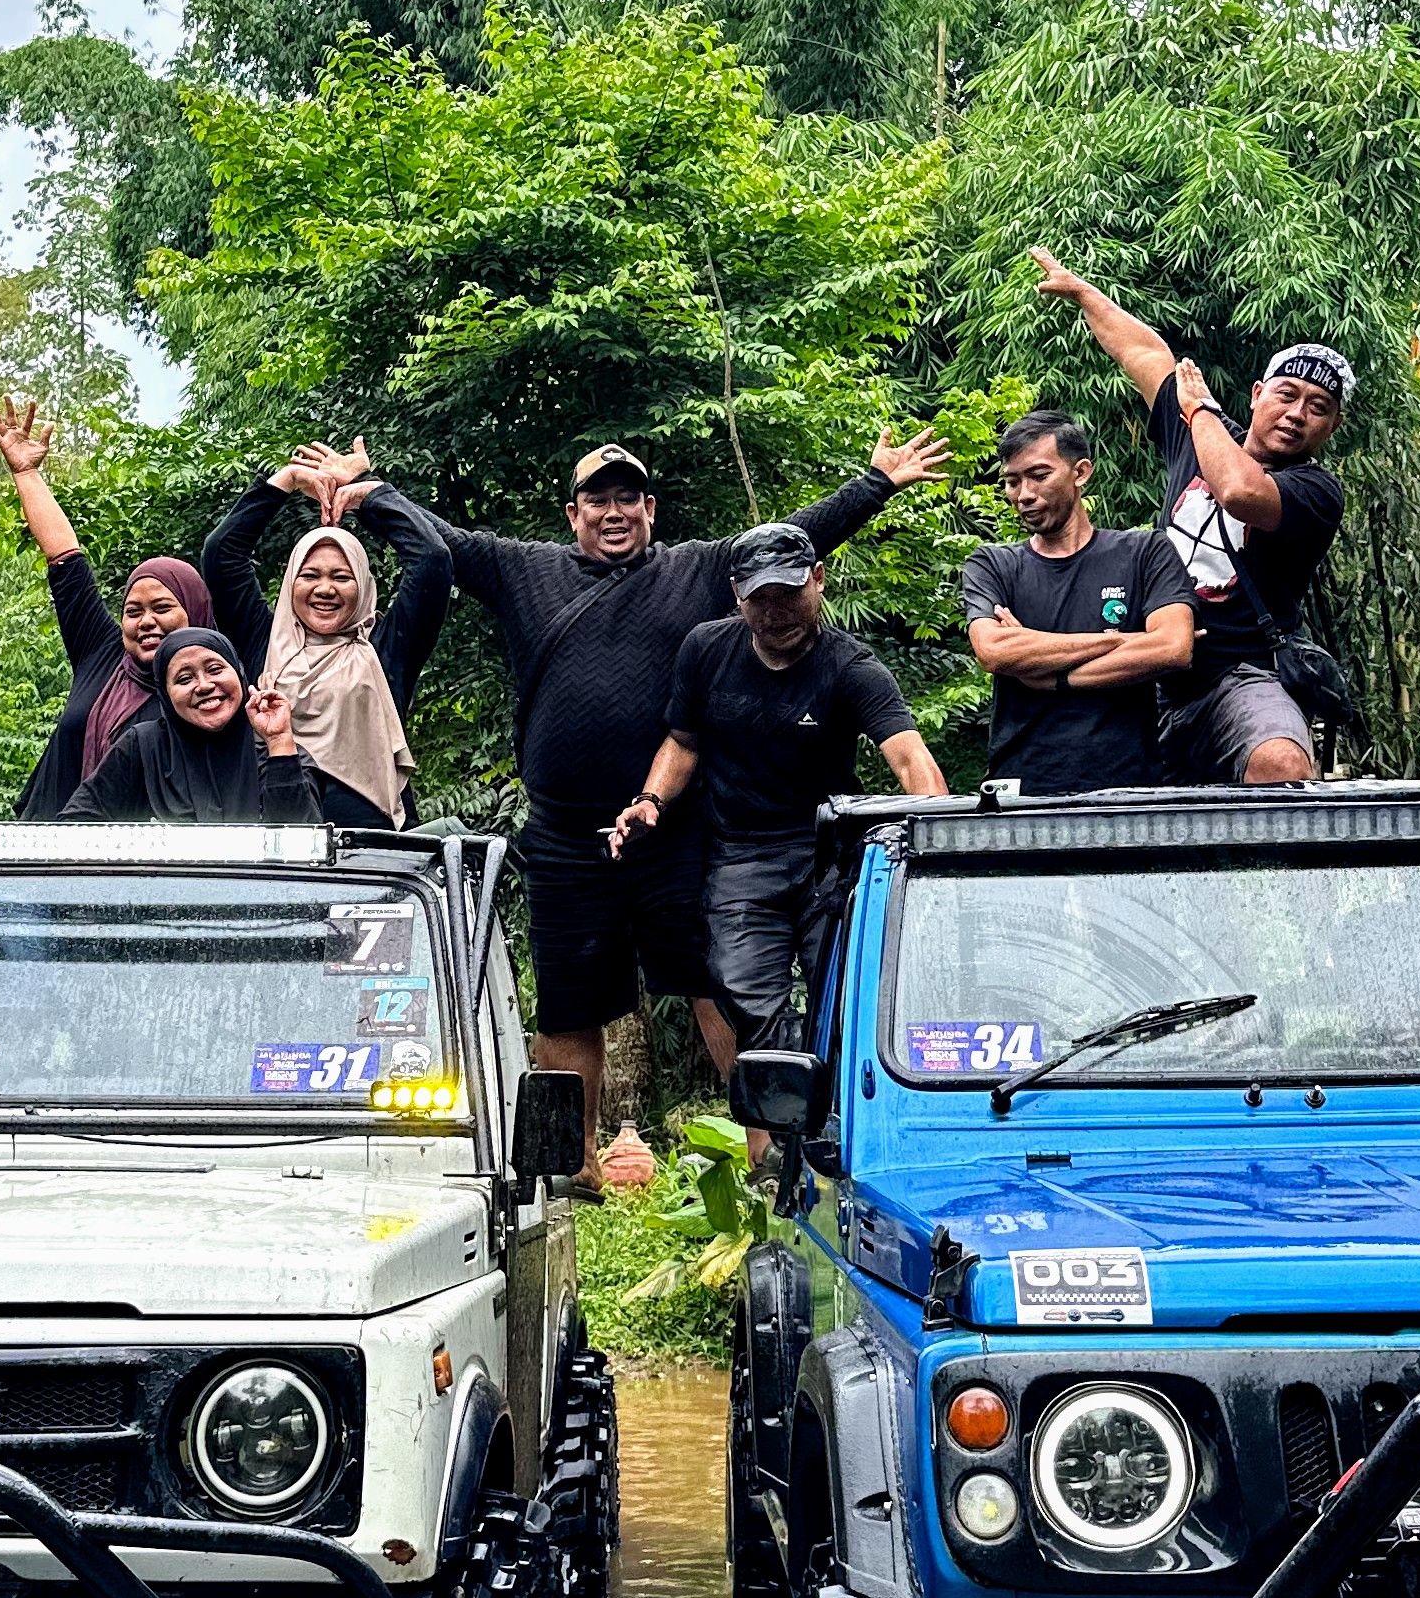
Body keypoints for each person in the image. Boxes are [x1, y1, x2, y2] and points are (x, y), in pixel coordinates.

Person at [294, 425, 950, 1136]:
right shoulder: (524, 568)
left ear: (651, 509)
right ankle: (570, 1166)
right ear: (573, 515)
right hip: (565, 836)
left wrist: (876, 482)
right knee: (568, 1001)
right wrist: (373, 491)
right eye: (598, 499)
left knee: (719, 985)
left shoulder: (698, 570)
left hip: (674, 829)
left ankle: (773, 1149)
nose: (615, 511)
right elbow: (442, 542)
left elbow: (789, 542)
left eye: (629, 498)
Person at [608, 522, 948, 1054]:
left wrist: (939, 837)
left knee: (842, 988)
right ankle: (786, 1116)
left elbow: (910, 759)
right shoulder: (706, 649)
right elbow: (683, 743)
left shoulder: (851, 667)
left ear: (818, 579)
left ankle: (833, 1107)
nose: (775, 613)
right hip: (740, 856)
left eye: (787, 595)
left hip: (828, 857)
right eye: (760, 599)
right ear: (738, 596)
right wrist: (649, 801)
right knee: (739, 986)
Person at [1025, 254, 1351, 786]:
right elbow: (1146, 353)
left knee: (1281, 763)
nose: (1296, 414)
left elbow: (1240, 490)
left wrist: (1198, 410)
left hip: (1240, 675)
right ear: (1257, 395)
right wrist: (1085, 294)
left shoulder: (1315, 491)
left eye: (1318, 407)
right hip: (1148, 667)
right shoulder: (1200, 430)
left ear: (1332, 426)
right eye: (1287, 394)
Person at [0, 394, 216, 818]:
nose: (146, 621)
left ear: (194, 613)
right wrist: (26, 473)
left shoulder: (214, 685)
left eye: (163, 608)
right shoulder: (103, 652)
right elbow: (63, 557)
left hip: (142, 871)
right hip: (41, 849)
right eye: (133, 611)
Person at [200, 454, 453, 829]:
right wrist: (284, 481)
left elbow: (432, 559)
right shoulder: (264, 642)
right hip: (277, 843)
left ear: (363, 587)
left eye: (341, 577)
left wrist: (369, 494)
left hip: (373, 856)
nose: (325, 589)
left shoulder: (385, 648)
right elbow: (221, 556)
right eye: (310, 575)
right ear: (290, 584)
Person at [960, 410, 1197, 796]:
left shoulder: (1145, 551)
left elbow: (1173, 648)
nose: (1024, 495)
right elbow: (994, 650)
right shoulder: (993, 564)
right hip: (1019, 788)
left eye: (1039, 476)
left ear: (1081, 472)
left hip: (1130, 787)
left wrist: (1052, 672)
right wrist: (1123, 640)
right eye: (1012, 481)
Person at [64, 625, 321, 824]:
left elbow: (300, 849)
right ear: (165, 694)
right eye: (185, 679)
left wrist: (278, 741)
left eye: (215, 669)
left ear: (239, 674)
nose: (205, 685)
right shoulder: (144, 748)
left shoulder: (283, 755)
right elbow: (74, 826)